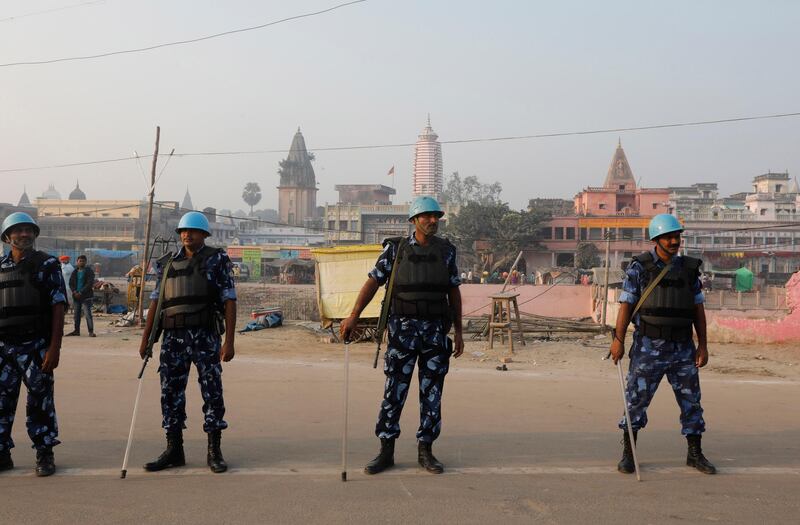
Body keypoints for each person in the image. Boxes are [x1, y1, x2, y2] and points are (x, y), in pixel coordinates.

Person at [341, 196, 463, 475]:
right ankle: (386, 450)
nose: (433, 221)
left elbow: (453, 292)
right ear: (414, 221)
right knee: (394, 391)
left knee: (432, 393)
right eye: (426, 216)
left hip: (435, 333)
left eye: (436, 217)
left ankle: (426, 450)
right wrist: (353, 315)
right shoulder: (395, 251)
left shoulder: (447, 252)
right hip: (403, 333)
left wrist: (458, 331)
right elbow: (372, 282)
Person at [609, 214, 716, 475]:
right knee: (636, 400)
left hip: (682, 347)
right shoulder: (639, 268)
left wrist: (703, 345)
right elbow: (626, 305)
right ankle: (629, 454)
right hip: (648, 346)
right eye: (668, 237)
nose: (674, 241)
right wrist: (618, 340)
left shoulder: (690, 270)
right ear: (656, 239)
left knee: (691, 401)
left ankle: (695, 453)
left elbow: (698, 309)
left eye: (677, 236)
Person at [138, 211, 237, 474]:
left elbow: (229, 299)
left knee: (212, 391)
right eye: (183, 231)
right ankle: (174, 449)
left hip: (205, 335)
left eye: (192, 231)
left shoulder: (217, 259)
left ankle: (214, 449)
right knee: (170, 392)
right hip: (173, 337)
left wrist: (229, 342)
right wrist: (147, 338)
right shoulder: (166, 263)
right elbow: (157, 302)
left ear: (204, 234)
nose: (186, 235)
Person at [0, 212, 66, 476]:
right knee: (2, 402)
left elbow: (58, 305)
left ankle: (44, 452)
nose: (24, 234)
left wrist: (54, 347)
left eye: (29, 230)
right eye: (18, 231)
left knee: (40, 400)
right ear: (7, 237)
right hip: (4, 347)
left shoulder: (47, 263)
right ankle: (2, 453)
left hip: (35, 345)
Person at [66, 255, 96, 337]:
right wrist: (75, 292)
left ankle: (90, 331)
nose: (81, 262)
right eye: (80, 261)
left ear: (85, 262)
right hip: (76, 296)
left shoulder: (89, 271)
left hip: (86, 296)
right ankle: (76, 331)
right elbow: (71, 283)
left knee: (87, 314)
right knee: (76, 315)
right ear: (77, 262)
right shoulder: (75, 272)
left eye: (83, 261)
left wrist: (81, 292)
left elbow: (89, 283)